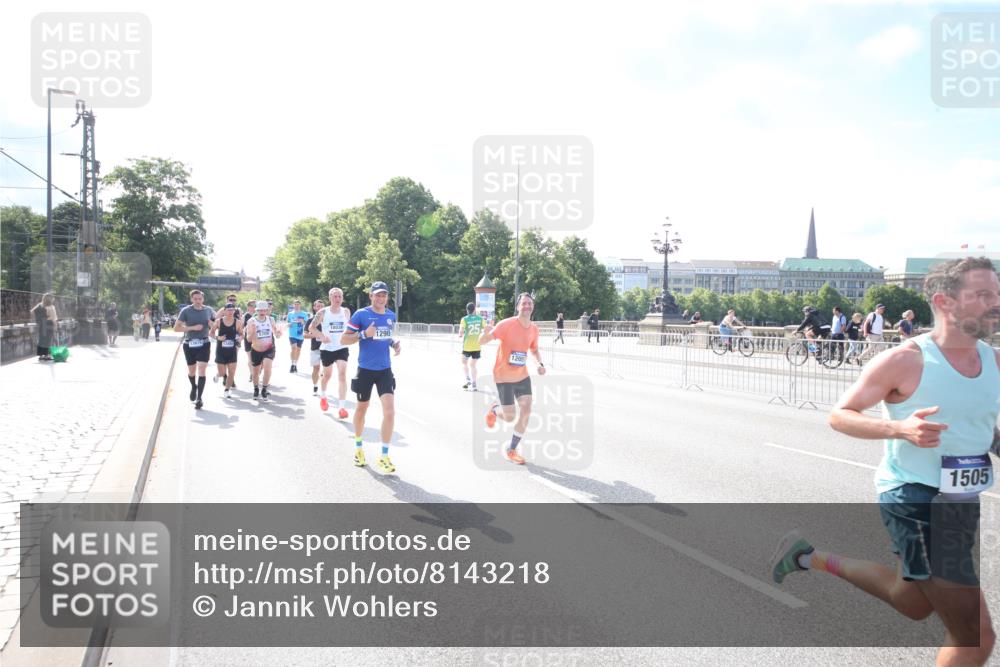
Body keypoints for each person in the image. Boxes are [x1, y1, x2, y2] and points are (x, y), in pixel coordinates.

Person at [771, 257, 1000, 666]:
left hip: (961, 501)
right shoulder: (905, 360)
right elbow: (840, 415)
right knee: (974, 636)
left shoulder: (994, 361)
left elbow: (980, 425)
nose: (996, 303)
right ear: (944, 302)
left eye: (997, 294)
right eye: (983, 295)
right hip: (914, 497)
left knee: (911, 601)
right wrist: (900, 429)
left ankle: (810, 556)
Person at [479, 292, 547, 465]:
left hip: (522, 376)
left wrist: (539, 363)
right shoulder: (506, 324)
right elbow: (482, 341)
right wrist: (485, 333)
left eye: (529, 303)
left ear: (533, 306)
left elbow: (534, 349)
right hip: (503, 377)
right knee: (509, 417)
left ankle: (512, 449)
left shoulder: (534, 329)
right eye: (524, 303)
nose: (527, 306)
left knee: (526, 409)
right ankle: (495, 410)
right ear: (517, 307)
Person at [341, 281, 401, 473]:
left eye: (384, 295)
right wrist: (364, 334)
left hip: (385, 370)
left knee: (390, 412)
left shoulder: (391, 315)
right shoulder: (361, 314)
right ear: (371, 296)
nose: (381, 298)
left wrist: (393, 343)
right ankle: (358, 448)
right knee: (362, 409)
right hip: (365, 370)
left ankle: (384, 456)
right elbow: (344, 339)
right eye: (378, 295)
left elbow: (384, 336)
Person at [310, 287, 352, 418]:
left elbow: (349, 328)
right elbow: (311, 327)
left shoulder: (346, 311)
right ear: (330, 298)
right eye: (335, 296)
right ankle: (323, 397)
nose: (337, 299)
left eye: (340, 296)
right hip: (327, 348)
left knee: (342, 375)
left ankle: (342, 408)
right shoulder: (323, 312)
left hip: (341, 347)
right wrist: (322, 336)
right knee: (327, 376)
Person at [174, 290, 216, 410]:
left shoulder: (209, 310)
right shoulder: (186, 311)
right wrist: (192, 328)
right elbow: (176, 328)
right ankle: (193, 386)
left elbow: (215, 326)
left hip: (204, 343)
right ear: (191, 299)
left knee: (202, 370)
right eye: (195, 299)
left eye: (200, 299)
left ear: (203, 299)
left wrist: (212, 325)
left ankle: (199, 398)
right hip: (189, 344)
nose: (198, 301)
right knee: (192, 371)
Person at [245, 301, 281, 401]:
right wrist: (253, 332)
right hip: (256, 349)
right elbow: (248, 339)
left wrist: (278, 333)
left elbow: (276, 334)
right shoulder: (251, 321)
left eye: (264, 310)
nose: (262, 312)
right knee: (255, 372)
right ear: (256, 311)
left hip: (269, 348)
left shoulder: (271, 319)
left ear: (267, 310)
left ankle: (264, 389)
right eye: (260, 310)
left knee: (267, 367)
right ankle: (256, 388)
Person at [211, 303, 243, 399]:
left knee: (232, 372)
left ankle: (227, 390)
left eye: (232, 310)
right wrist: (218, 337)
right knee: (222, 373)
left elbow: (242, 334)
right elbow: (211, 333)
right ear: (224, 311)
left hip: (232, 351)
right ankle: (218, 375)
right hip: (221, 351)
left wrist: (240, 338)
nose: (230, 312)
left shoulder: (238, 322)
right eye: (228, 310)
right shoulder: (218, 321)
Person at [458, 302, 485, 390]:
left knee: (464, 363)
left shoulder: (464, 319)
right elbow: (486, 329)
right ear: (474, 309)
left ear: (467, 310)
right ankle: (474, 383)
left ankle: (467, 379)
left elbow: (461, 331)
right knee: (473, 365)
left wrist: (460, 334)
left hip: (467, 346)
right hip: (477, 346)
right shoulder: (480, 319)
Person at [303, 299, 325, 398]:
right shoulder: (310, 320)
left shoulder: (328, 319)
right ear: (314, 308)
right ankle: (315, 386)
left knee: (325, 370)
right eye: (318, 306)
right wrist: (317, 335)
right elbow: (305, 335)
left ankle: (323, 388)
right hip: (315, 348)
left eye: (322, 306)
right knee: (316, 368)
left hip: (327, 348)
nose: (320, 308)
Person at [32, 293, 57, 361]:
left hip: (42, 324)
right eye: (52, 298)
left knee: (41, 339)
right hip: (49, 324)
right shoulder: (51, 307)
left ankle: (41, 355)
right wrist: (55, 326)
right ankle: (47, 355)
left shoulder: (40, 305)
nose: (53, 299)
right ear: (50, 299)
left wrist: (41, 318)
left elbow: (32, 311)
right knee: (48, 340)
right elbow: (54, 318)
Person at [286, 299, 309, 373]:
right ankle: (292, 364)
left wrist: (302, 321)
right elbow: (287, 323)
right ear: (293, 305)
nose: (296, 306)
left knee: (298, 350)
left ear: (300, 305)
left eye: (298, 304)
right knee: (294, 348)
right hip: (292, 334)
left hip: (300, 334)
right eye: (295, 304)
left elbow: (307, 323)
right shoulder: (290, 314)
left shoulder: (304, 314)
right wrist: (289, 324)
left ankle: (295, 364)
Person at [243, 299, 257, 383]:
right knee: (250, 358)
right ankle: (252, 374)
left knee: (258, 358)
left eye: (255, 305)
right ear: (248, 307)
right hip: (248, 339)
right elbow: (242, 327)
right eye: (251, 305)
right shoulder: (246, 316)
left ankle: (256, 373)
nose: (253, 307)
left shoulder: (258, 315)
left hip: (257, 339)